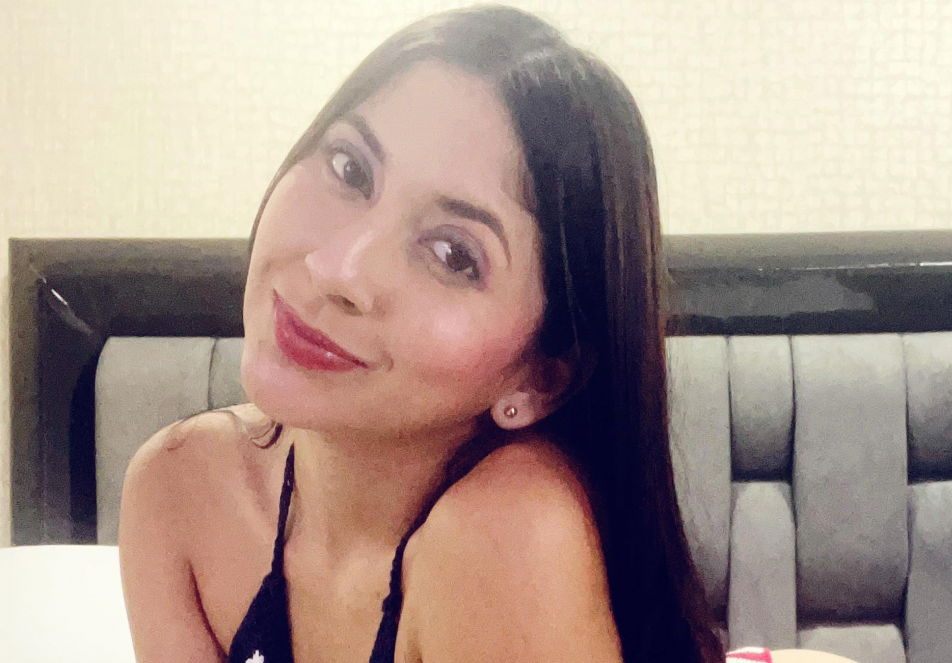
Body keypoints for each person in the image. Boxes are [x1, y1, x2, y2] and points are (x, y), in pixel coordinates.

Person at [118, 5, 854, 663]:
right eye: (349, 167)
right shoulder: (180, 486)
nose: (338, 269)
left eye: (452, 254)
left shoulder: (504, 536)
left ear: (540, 377)